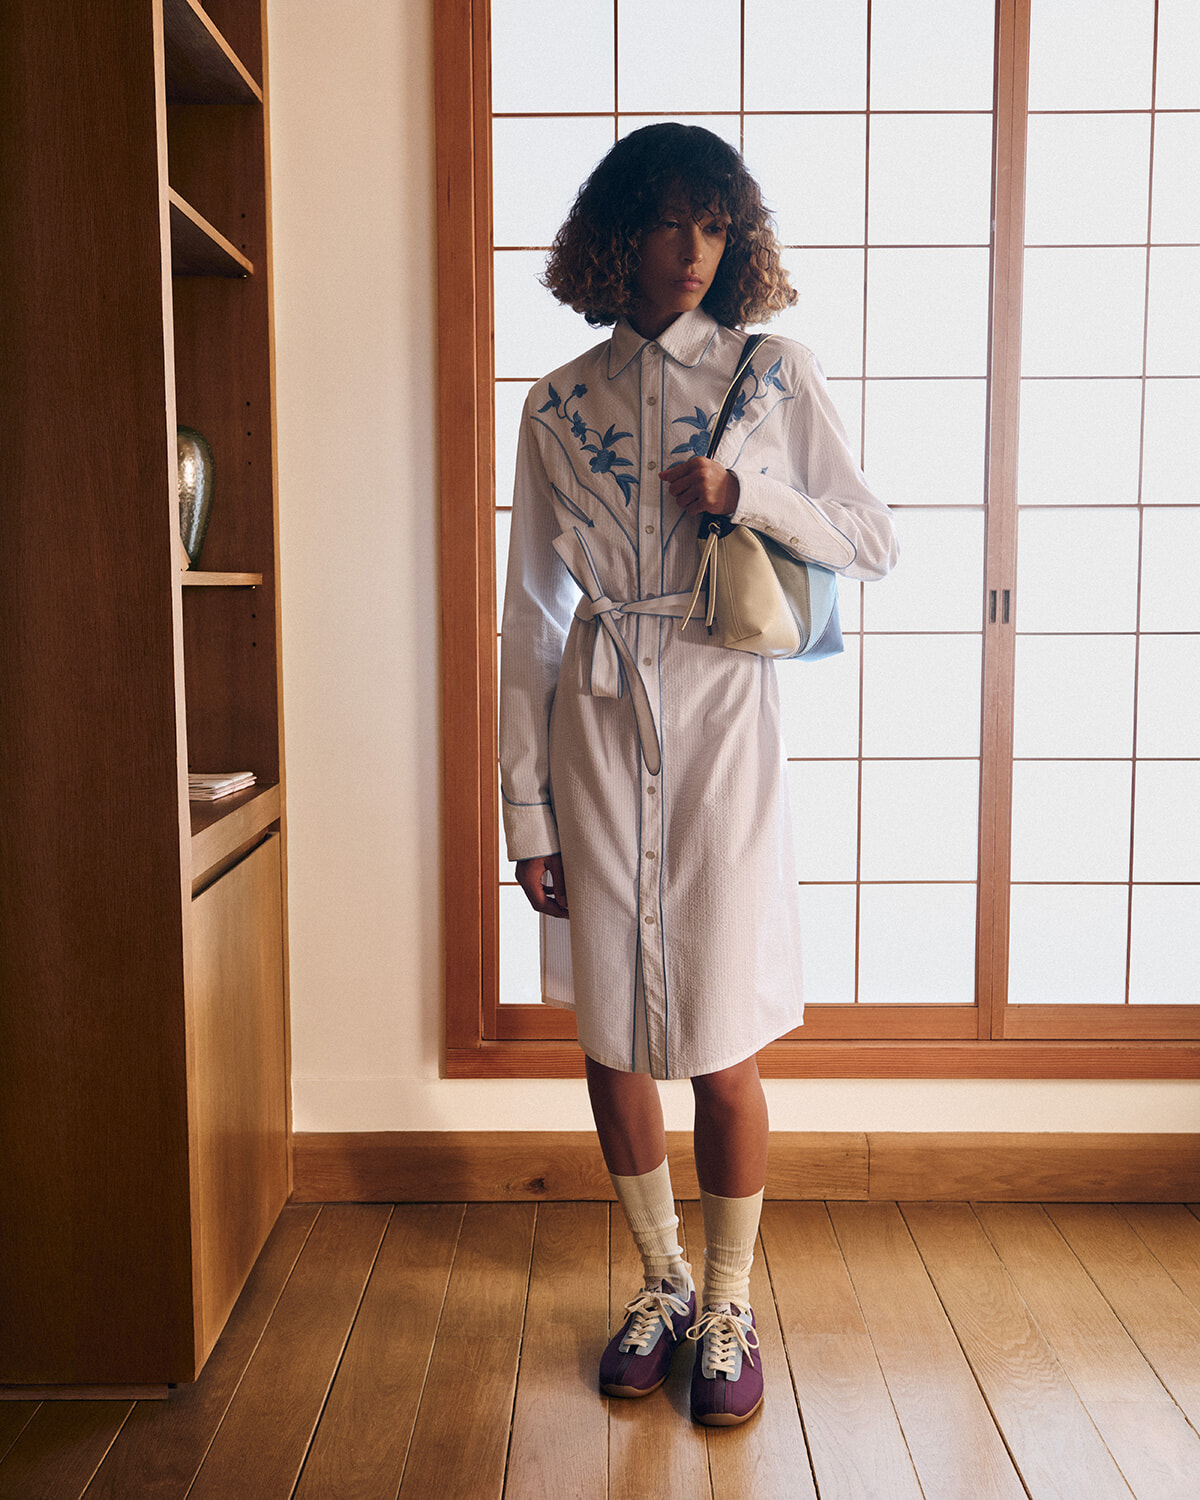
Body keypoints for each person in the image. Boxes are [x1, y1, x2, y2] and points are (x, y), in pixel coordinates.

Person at [499, 123, 897, 1427]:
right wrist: (525, 808)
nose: (692, 252)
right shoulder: (554, 404)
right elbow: (530, 620)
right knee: (610, 1028)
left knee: (722, 1034)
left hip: (727, 722)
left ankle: (728, 1299)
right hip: (596, 728)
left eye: (716, 226)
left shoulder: (775, 373)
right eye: (668, 223)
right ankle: (661, 1280)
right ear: (615, 237)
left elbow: (872, 537)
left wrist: (748, 496)